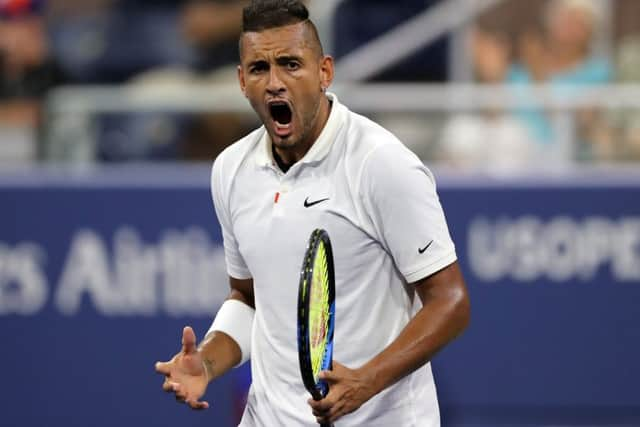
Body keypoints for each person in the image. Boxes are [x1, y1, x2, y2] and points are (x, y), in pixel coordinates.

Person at [155, 1, 470, 425]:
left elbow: (450, 301)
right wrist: (208, 362)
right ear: (241, 81)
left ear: (325, 72)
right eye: (259, 69)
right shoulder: (230, 170)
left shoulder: (381, 163)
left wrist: (366, 380)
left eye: (290, 64)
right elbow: (250, 298)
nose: (275, 83)